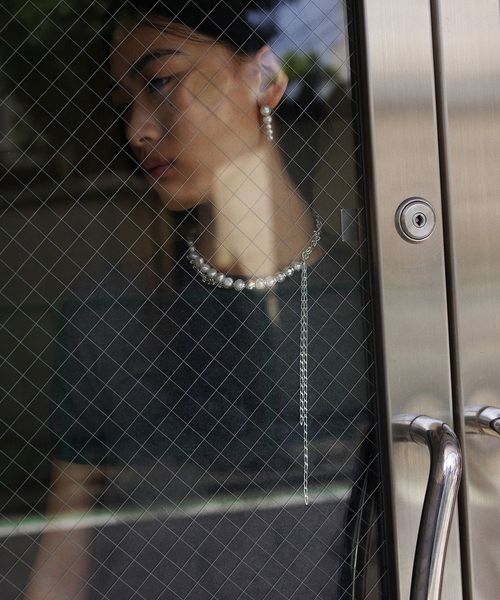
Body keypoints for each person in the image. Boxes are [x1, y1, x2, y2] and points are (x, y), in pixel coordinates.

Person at [25, 2, 378, 599]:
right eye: (124, 103)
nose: (137, 129)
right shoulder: (108, 319)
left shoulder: (379, 310)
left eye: (162, 82)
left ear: (264, 79)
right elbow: (62, 548)